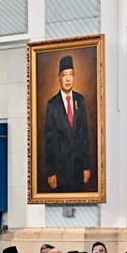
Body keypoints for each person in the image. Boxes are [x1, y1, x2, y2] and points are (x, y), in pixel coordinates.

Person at [44, 55, 90, 192]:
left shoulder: (80, 100)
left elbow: (84, 135)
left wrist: (86, 167)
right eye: (64, 75)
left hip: (78, 168)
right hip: (60, 170)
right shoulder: (52, 105)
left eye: (71, 74)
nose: (68, 79)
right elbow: (49, 142)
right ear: (59, 78)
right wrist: (51, 172)